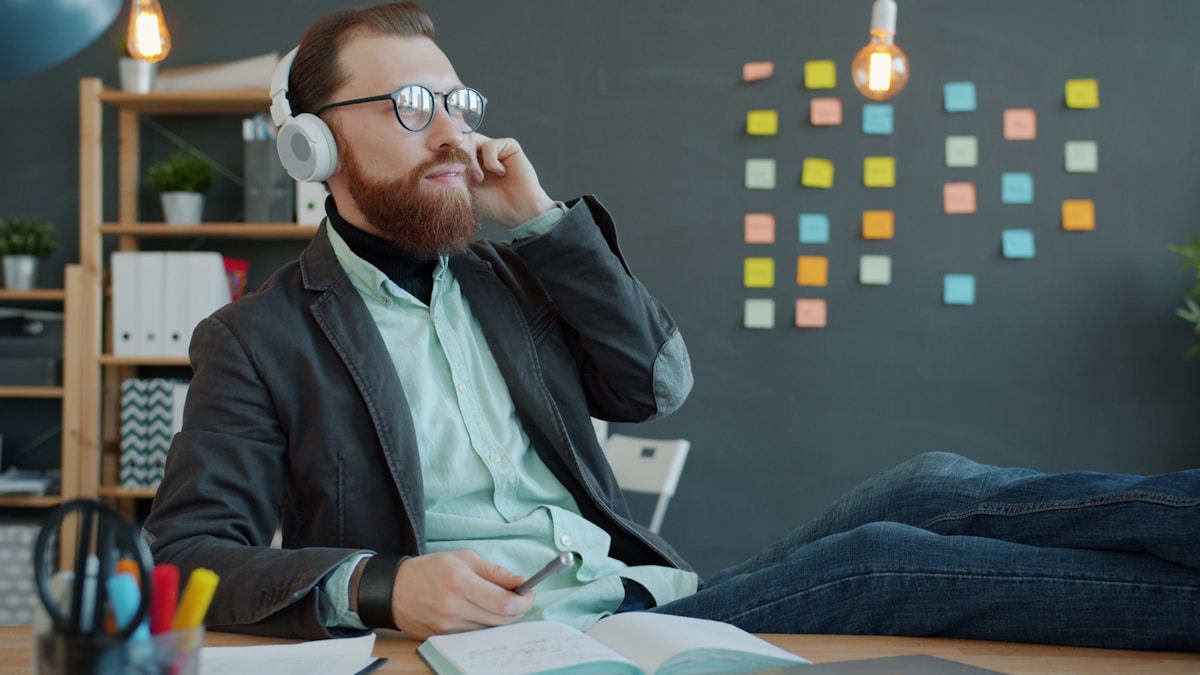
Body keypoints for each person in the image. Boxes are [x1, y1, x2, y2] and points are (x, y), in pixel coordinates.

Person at [143, 1, 1200, 651]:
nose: (454, 134)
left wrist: (550, 227)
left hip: (651, 602)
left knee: (926, 482)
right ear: (313, 151)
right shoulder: (260, 339)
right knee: (880, 557)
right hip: (537, 640)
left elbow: (655, 385)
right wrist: (381, 586)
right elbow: (187, 556)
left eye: (456, 101)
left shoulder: (513, 271)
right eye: (413, 110)